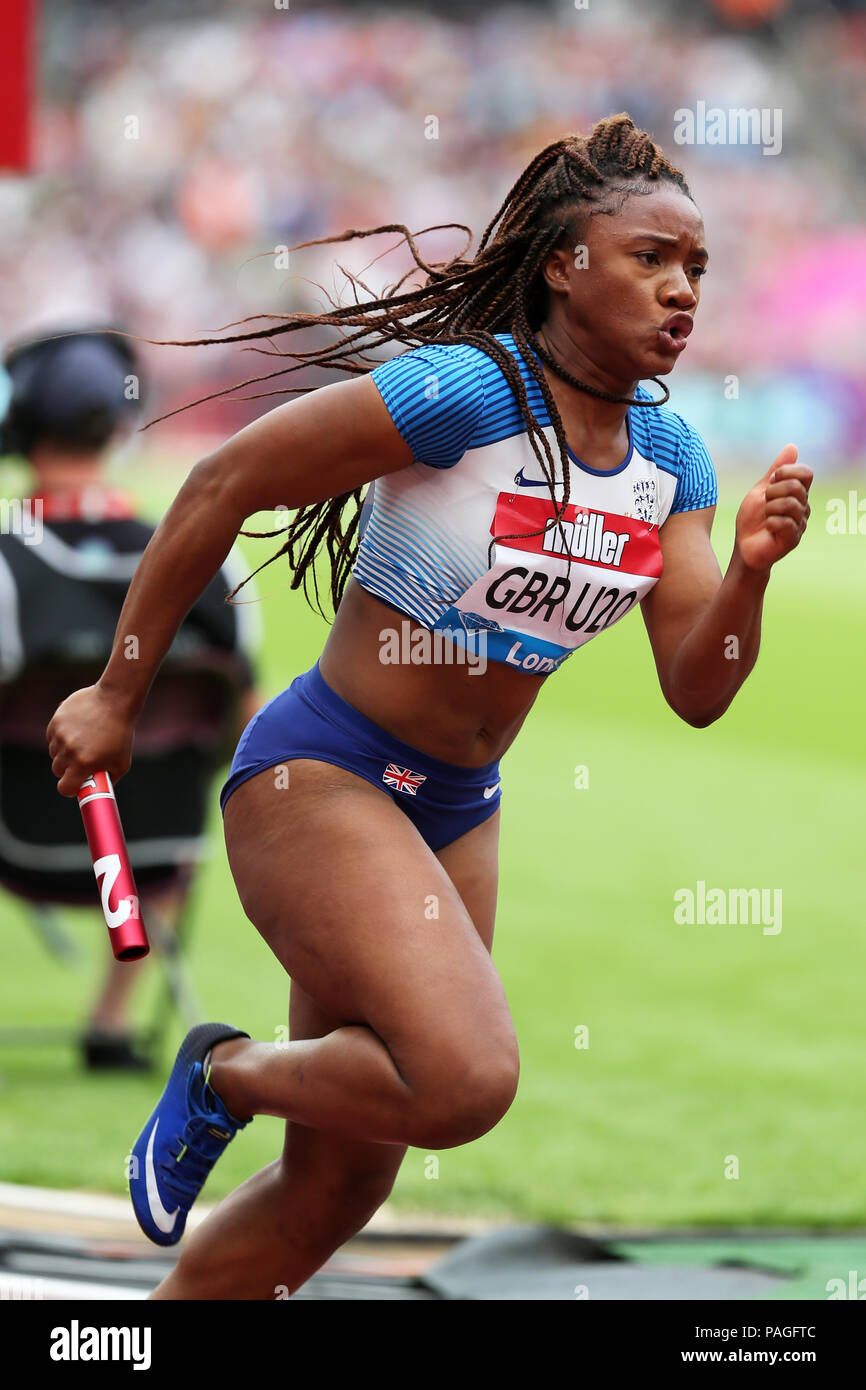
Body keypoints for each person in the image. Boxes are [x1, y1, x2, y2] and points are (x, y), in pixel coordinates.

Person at [46, 115, 811, 1298]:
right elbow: (222, 479)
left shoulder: (675, 463)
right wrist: (116, 689)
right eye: (649, 257)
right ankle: (225, 1072)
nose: (680, 290)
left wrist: (750, 570)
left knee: (340, 1188)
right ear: (564, 263)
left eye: (695, 268)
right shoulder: (463, 391)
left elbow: (696, 689)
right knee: (462, 1080)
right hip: (325, 774)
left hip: (457, 807)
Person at [0, 328, 261, 1069]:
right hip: (158, 852)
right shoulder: (211, 559)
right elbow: (246, 714)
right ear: (119, 428)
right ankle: (113, 1021)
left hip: (19, 840)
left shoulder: (7, 565)